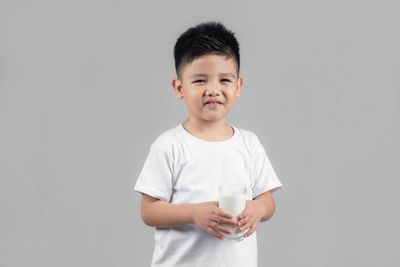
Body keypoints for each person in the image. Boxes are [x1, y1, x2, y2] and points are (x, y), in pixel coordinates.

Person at [134, 21, 283, 267]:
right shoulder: (169, 146)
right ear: (179, 87)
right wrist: (194, 213)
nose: (213, 90)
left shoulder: (249, 144)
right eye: (200, 81)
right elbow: (149, 211)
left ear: (238, 86)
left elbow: (267, 201)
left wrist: (258, 210)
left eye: (224, 80)